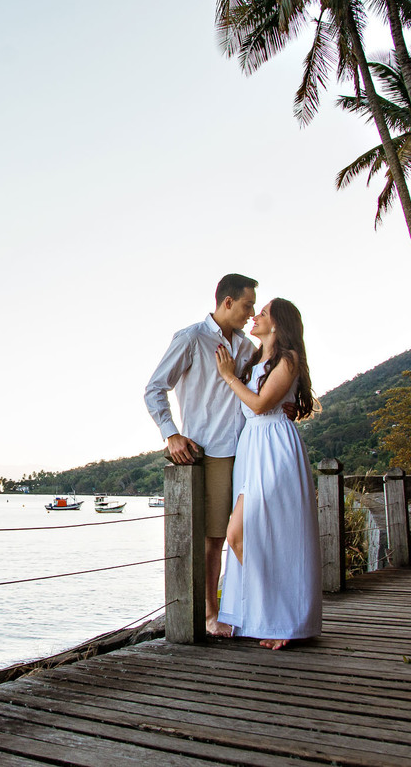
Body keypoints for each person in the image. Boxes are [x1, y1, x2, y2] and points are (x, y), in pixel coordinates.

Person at [145, 273, 258, 637]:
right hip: (213, 451)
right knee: (214, 539)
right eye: (247, 305)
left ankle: (248, 606)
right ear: (227, 302)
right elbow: (154, 389)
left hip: (249, 449)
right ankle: (211, 615)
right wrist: (172, 434)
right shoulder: (192, 337)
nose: (250, 312)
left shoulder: (245, 346)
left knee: (250, 531)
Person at [213, 298, 321, 650]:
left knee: (242, 533)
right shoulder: (256, 359)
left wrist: (228, 376)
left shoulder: (288, 359)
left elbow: (261, 404)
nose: (255, 316)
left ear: (277, 325)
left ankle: (282, 618)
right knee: (243, 535)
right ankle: (263, 615)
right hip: (251, 447)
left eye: (263, 313)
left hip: (274, 448)